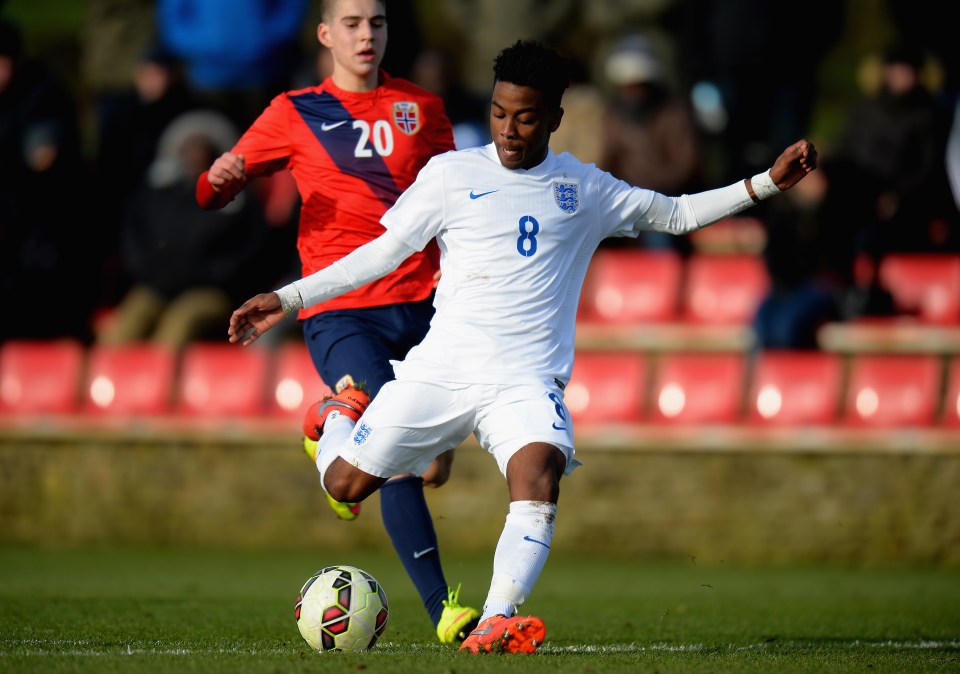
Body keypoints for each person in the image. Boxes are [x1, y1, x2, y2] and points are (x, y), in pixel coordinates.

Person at [226, 39, 817, 654]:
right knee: (345, 487)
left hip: (525, 381)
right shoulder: (451, 175)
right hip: (441, 369)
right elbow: (380, 256)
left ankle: (496, 620)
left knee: (539, 475)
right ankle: (332, 420)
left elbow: (675, 213)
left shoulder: (583, 189)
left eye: (527, 116)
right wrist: (289, 298)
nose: (509, 129)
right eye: (500, 113)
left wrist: (765, 185)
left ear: (555, 118)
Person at [194, 0, 479, 645]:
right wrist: (220, 179)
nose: (366, 35)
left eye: (375, 23)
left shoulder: (423, 109)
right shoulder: (293, 111)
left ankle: (329, 427)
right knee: (400, 456)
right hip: (342, 310)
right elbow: (210, 193)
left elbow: (457, 199)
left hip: (425, 306)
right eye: (351, 23)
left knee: (435, 467)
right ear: (325, 34)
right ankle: (445, 612)